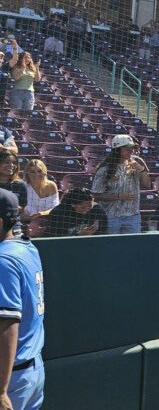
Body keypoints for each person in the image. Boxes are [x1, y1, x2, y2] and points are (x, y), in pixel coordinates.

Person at [0, 189, 45, 410]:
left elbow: (7, 325)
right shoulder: (27, 247)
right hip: (32, 371)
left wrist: (1, 391)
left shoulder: (3, 260)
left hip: (11, 379)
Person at [90, 135, 152, 233]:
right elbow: (96, 195)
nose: (131, 151)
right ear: (117, 149)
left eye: (132, 148)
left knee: (131, 246)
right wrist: (119, 196)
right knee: (111, 246)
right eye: (127, 148)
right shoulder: (105, 168)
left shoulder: (137, 162)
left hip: (133, 215)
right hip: (110, 216)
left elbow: (148, 185)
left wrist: (142, 170)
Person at [22, 161, 59, 232]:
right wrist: (31, 219)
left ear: (44, 171)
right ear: (27, 173)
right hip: (26, 224)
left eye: (39, 171)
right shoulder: (23, 186)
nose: (37, 174)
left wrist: (42, 214)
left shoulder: (51, 185)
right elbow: (19, 213)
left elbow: (55, 208)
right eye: (32, 172)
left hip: (50, 222)